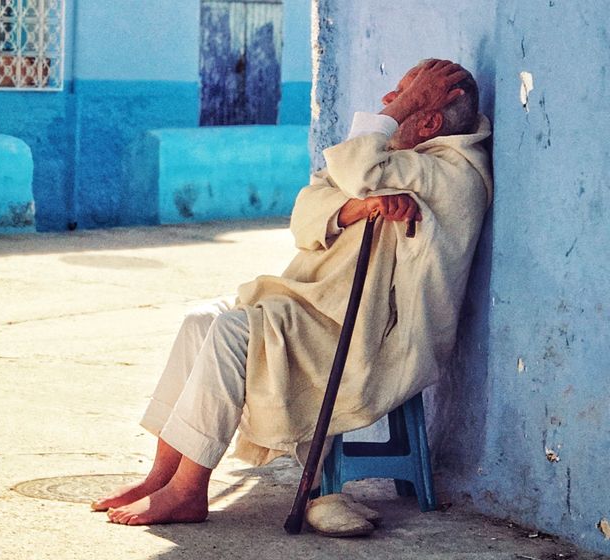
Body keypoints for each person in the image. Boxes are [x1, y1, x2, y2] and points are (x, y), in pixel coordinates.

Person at [92, 59, 493, 526]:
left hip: (372, 334)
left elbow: (354, 164)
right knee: (200, 319)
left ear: (428, 121)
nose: (389, 101)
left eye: (405, 98)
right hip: (318, 305)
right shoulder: (397, 164)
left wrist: (379, 150)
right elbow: (309, 207)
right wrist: (357, 208)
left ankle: (189, 490)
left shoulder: (453, 175)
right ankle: (161, 476)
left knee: (231, 332)